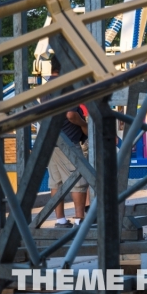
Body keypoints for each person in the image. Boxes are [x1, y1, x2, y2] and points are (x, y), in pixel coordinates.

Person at [46, 55, 89, 227]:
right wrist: (83, 123)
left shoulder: (47, 85)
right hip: (68, 141)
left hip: (51, 141)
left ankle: (60, 219)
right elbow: (71, 114)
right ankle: (80, 219)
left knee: (56, 181)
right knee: (79, 180)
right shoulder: (66, 85)